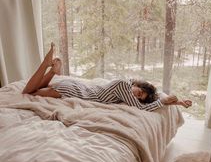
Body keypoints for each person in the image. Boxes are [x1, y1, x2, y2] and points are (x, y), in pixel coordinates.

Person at [22, 43, 192, 112]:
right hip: (74, 91)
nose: (135, 97)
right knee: (29, 93)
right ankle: (45, 65)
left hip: (78, 87)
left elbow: (158, 95)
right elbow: (141, 108)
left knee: (34, 90)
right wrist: (162, 102)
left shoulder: (126, 85)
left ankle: (52, 72)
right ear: (137, 85)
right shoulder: (124, 87)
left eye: (139, 98)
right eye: (138, 93)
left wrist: (176, 101)